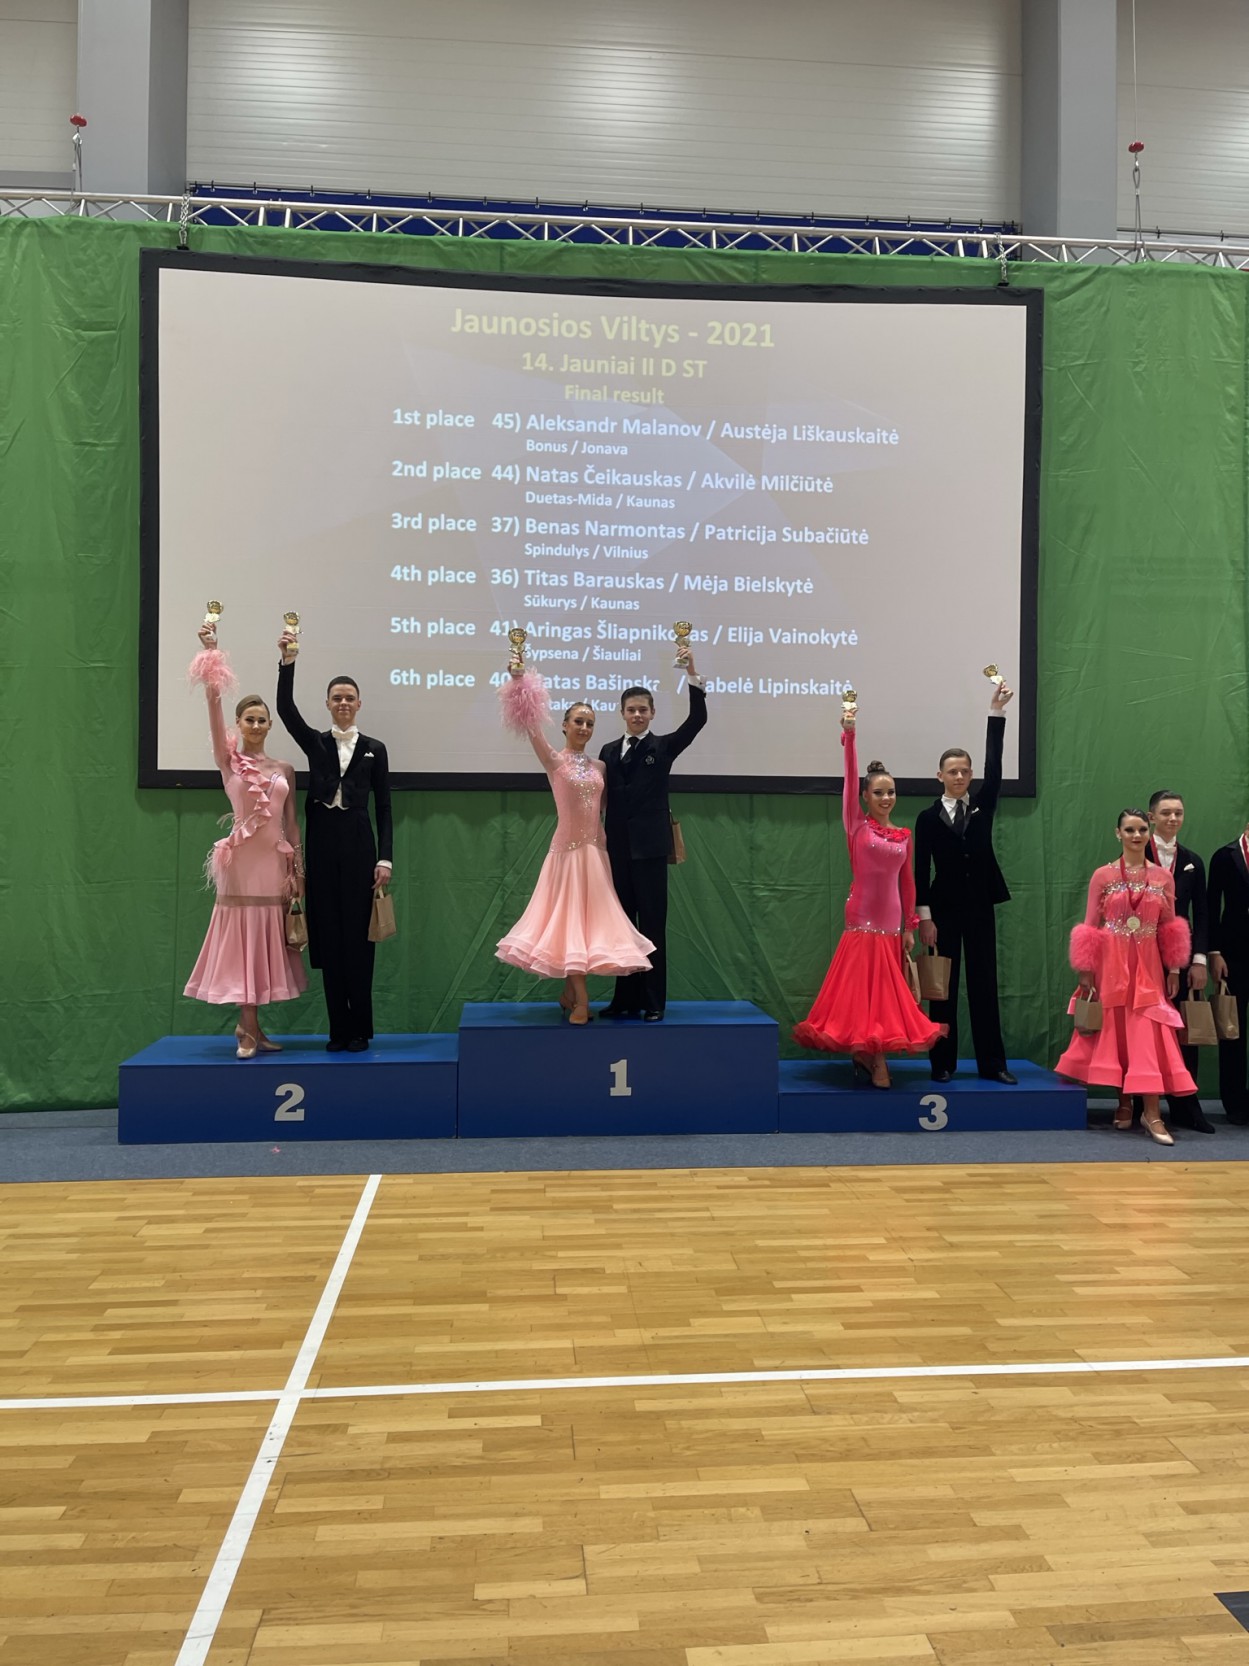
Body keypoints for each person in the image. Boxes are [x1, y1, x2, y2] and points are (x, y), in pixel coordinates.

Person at [793, 697, 943, 1087]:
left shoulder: (903, 835)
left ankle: (869, 1054)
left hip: (892, 925)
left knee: (884, 998)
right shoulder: (856, 826)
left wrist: (909, 926)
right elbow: (849, 777)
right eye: (878, 793)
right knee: (862, 994)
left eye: (891, 792)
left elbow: (907, 884)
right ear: (865, 797)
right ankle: (876, 1060)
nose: (886, 798)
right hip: (862, 920)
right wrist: (850, 736)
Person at [497, 666, 654, 1024]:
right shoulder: (554, 761)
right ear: (565, 726)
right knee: (569, 926)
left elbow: (609, 810)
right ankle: (581, 1000)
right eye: (578, 721)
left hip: (596, 857)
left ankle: (569, 994)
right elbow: (531, 724)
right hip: (567, 856)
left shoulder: (601, 767)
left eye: (590, 723)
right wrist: (520, 680)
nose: (584, 728)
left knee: (587, 929)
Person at [184, 624, 307, 1056]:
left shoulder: (285, 769)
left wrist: (298, 871)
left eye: (261, 719)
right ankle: (248, 1027)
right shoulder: (229, 761)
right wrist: (212, 655)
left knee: (265, 940)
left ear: (270, 724)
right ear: (238, 724)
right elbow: (213, 706)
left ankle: (250, 1025)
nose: (255, 724)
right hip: (240, 865)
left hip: (273, 865)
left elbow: (291, 825)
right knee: (243, 940)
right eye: (248, 719)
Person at [276, 632, 392, 1053]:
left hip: (360, 847)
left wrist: (385, 859)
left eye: (349, 698)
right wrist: (287, 662)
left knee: (359, 940)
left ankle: (360, 1029)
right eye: (337, 698)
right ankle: (338, 1030)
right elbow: (285, 709)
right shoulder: (317, 743)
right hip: (323, 845)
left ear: (359, 704)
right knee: (329, 936)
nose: (343, 703)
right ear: (327, 704)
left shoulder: (375, 749)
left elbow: (384, 808)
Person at [1055, 808, 1194, 1145]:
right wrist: (1086, 969)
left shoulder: (1163, 877)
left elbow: (1171, 927)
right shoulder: (1102, 875)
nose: (1136, 835)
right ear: (1118, 833)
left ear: (1149, 832)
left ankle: (1152, 1113)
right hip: (1111, 965)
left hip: (1149, 967)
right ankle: (1124, 1102)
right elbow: (1090, 924)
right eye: (1129, 830)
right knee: (1118, 1030)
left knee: (1147, 1033)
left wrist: (1175, 968)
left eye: (1142, 829)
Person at [914, 679, 1016, 1084]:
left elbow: (996, 766)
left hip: (980, 907)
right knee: (943, 988)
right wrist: (925, 917)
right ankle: (941, 1063)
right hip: (943, 911)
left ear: (972, 775)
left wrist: (996, 712)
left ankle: (994, 1064)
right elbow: (920, 869)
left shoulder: (983, 806)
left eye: (964, 771)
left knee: (984, 984)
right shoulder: (926, 818)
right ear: (939, 775)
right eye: (952, 771)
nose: (959, 776)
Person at [598, 658, 707, 1021]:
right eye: (631, 710)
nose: (637, 715)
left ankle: (654, 1001)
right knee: (623, 926)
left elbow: (697, 721)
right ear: (622, 713)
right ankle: (624, 999)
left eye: (643, 710)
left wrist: (692, 675)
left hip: (651, 851)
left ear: (653, 713)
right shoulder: (608, 751)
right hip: (617, 852)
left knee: (652, 926)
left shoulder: (664, 747)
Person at [1138, 790, 1212, 1132]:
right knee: (1144, 1029)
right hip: (1141, 956)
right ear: (1151, 817)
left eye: (1178, 813)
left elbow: (1203, 913)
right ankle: (1140, 1102)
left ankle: (1186, 1106)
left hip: (1180, 958)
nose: (1172, 818)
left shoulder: (1194, 861)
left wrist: (1199, 960)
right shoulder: (1136, 855)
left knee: (1183, 1030)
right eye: (1166, 812)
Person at [1207, 820, 1249, 1125]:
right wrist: (1214, 952)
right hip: (1233, 956)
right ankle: (1234, 1102)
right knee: (1233, 1029)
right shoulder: (1225, 856)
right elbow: (1211, 905)